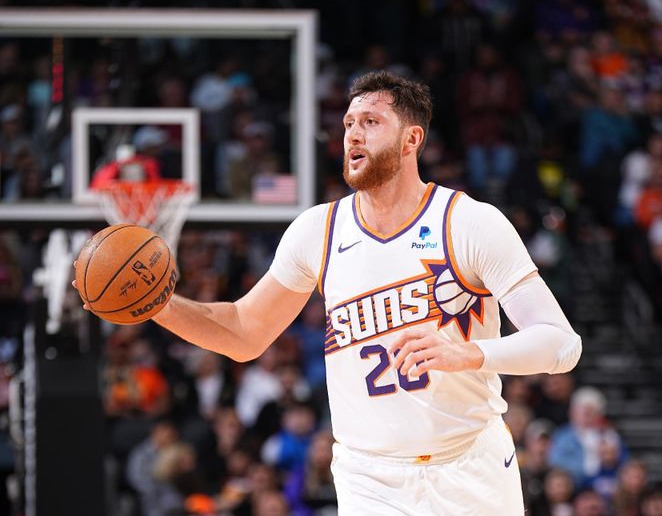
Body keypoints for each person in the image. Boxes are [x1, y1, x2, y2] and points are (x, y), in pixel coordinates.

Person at [76, 71, 582, 514]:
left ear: (411, 140)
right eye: (347, 124)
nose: (352, 134)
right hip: (370, 477)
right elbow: (244, 333)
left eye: (370, 122)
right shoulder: (317, 230)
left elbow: (561, 344)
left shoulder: (468, 223)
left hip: (471, 466)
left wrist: (471, 353)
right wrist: (157, 304)